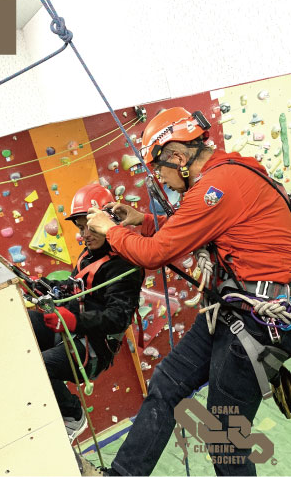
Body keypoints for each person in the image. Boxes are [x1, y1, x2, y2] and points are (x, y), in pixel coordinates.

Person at [87, 106, 291, 476]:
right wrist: (143, 220)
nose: (160, 179)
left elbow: (153, 254)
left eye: (159, 168)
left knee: (225, 435)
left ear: (179, 158)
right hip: (232, 311)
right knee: (166, 383)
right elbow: (197, 225)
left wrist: (110, 229)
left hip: (258, 320)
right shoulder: (227, 174)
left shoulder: (217, 186)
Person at [28, 183, 143, 441]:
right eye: (81, 228)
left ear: (109, 221)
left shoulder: (125, 265)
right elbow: (73, 288)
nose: (84, 235)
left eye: (90, 226)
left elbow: (118, 318)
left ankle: (73, 414)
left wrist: (74, 321)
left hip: (94, 349)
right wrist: (45, 285)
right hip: (74, 333)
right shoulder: (89, 255)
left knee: (40, 366)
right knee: (27, 324)